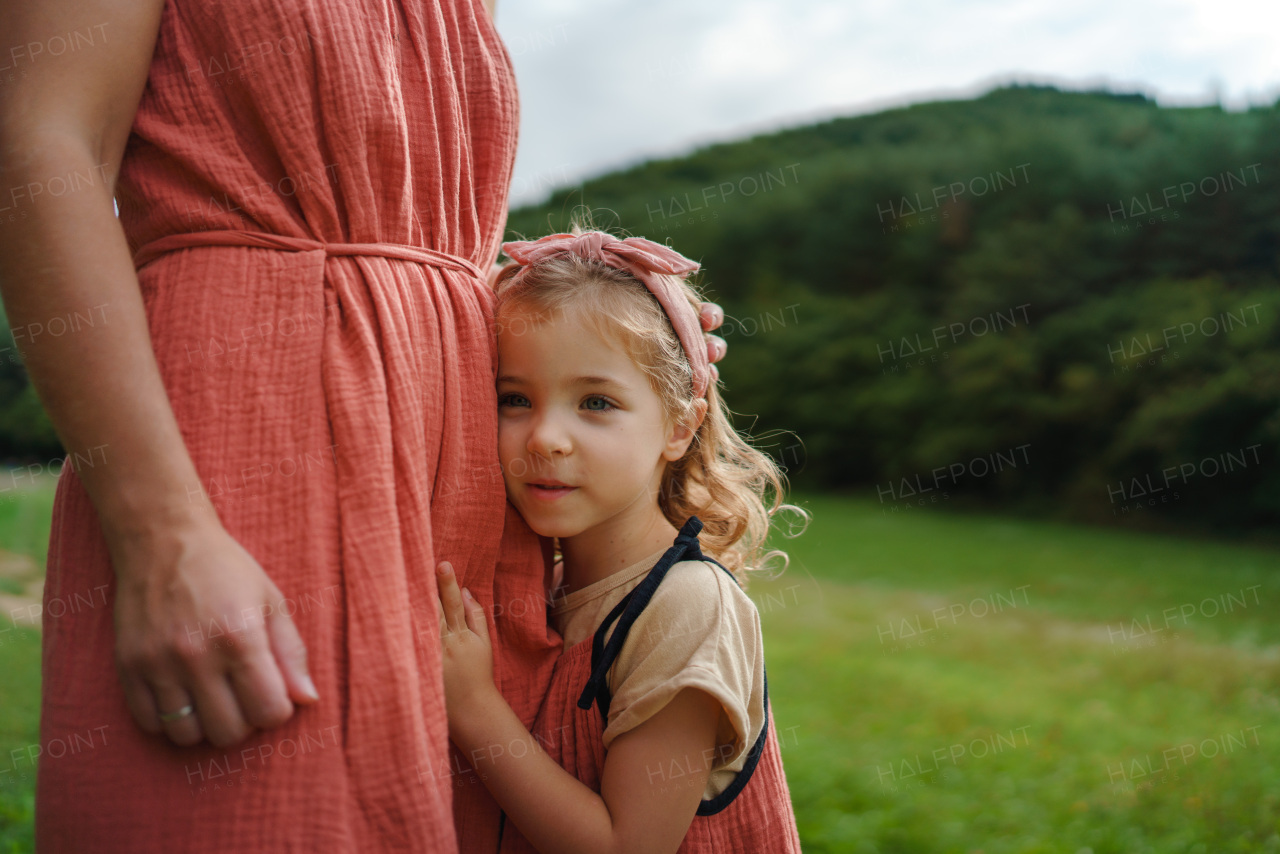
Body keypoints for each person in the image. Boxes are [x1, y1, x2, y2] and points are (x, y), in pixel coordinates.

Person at [0, 3, 726, 851]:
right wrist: (162, 532)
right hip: (248, 452)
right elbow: (45, 148)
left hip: (451, 482)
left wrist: (614, 317)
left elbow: (409, 225)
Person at [432, 228, 804, 853]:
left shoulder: (685, 606)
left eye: (597, 402)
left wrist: (473, 709)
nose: (546, 438)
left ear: (681, 426)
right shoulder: (541, 589)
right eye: (514, 398)